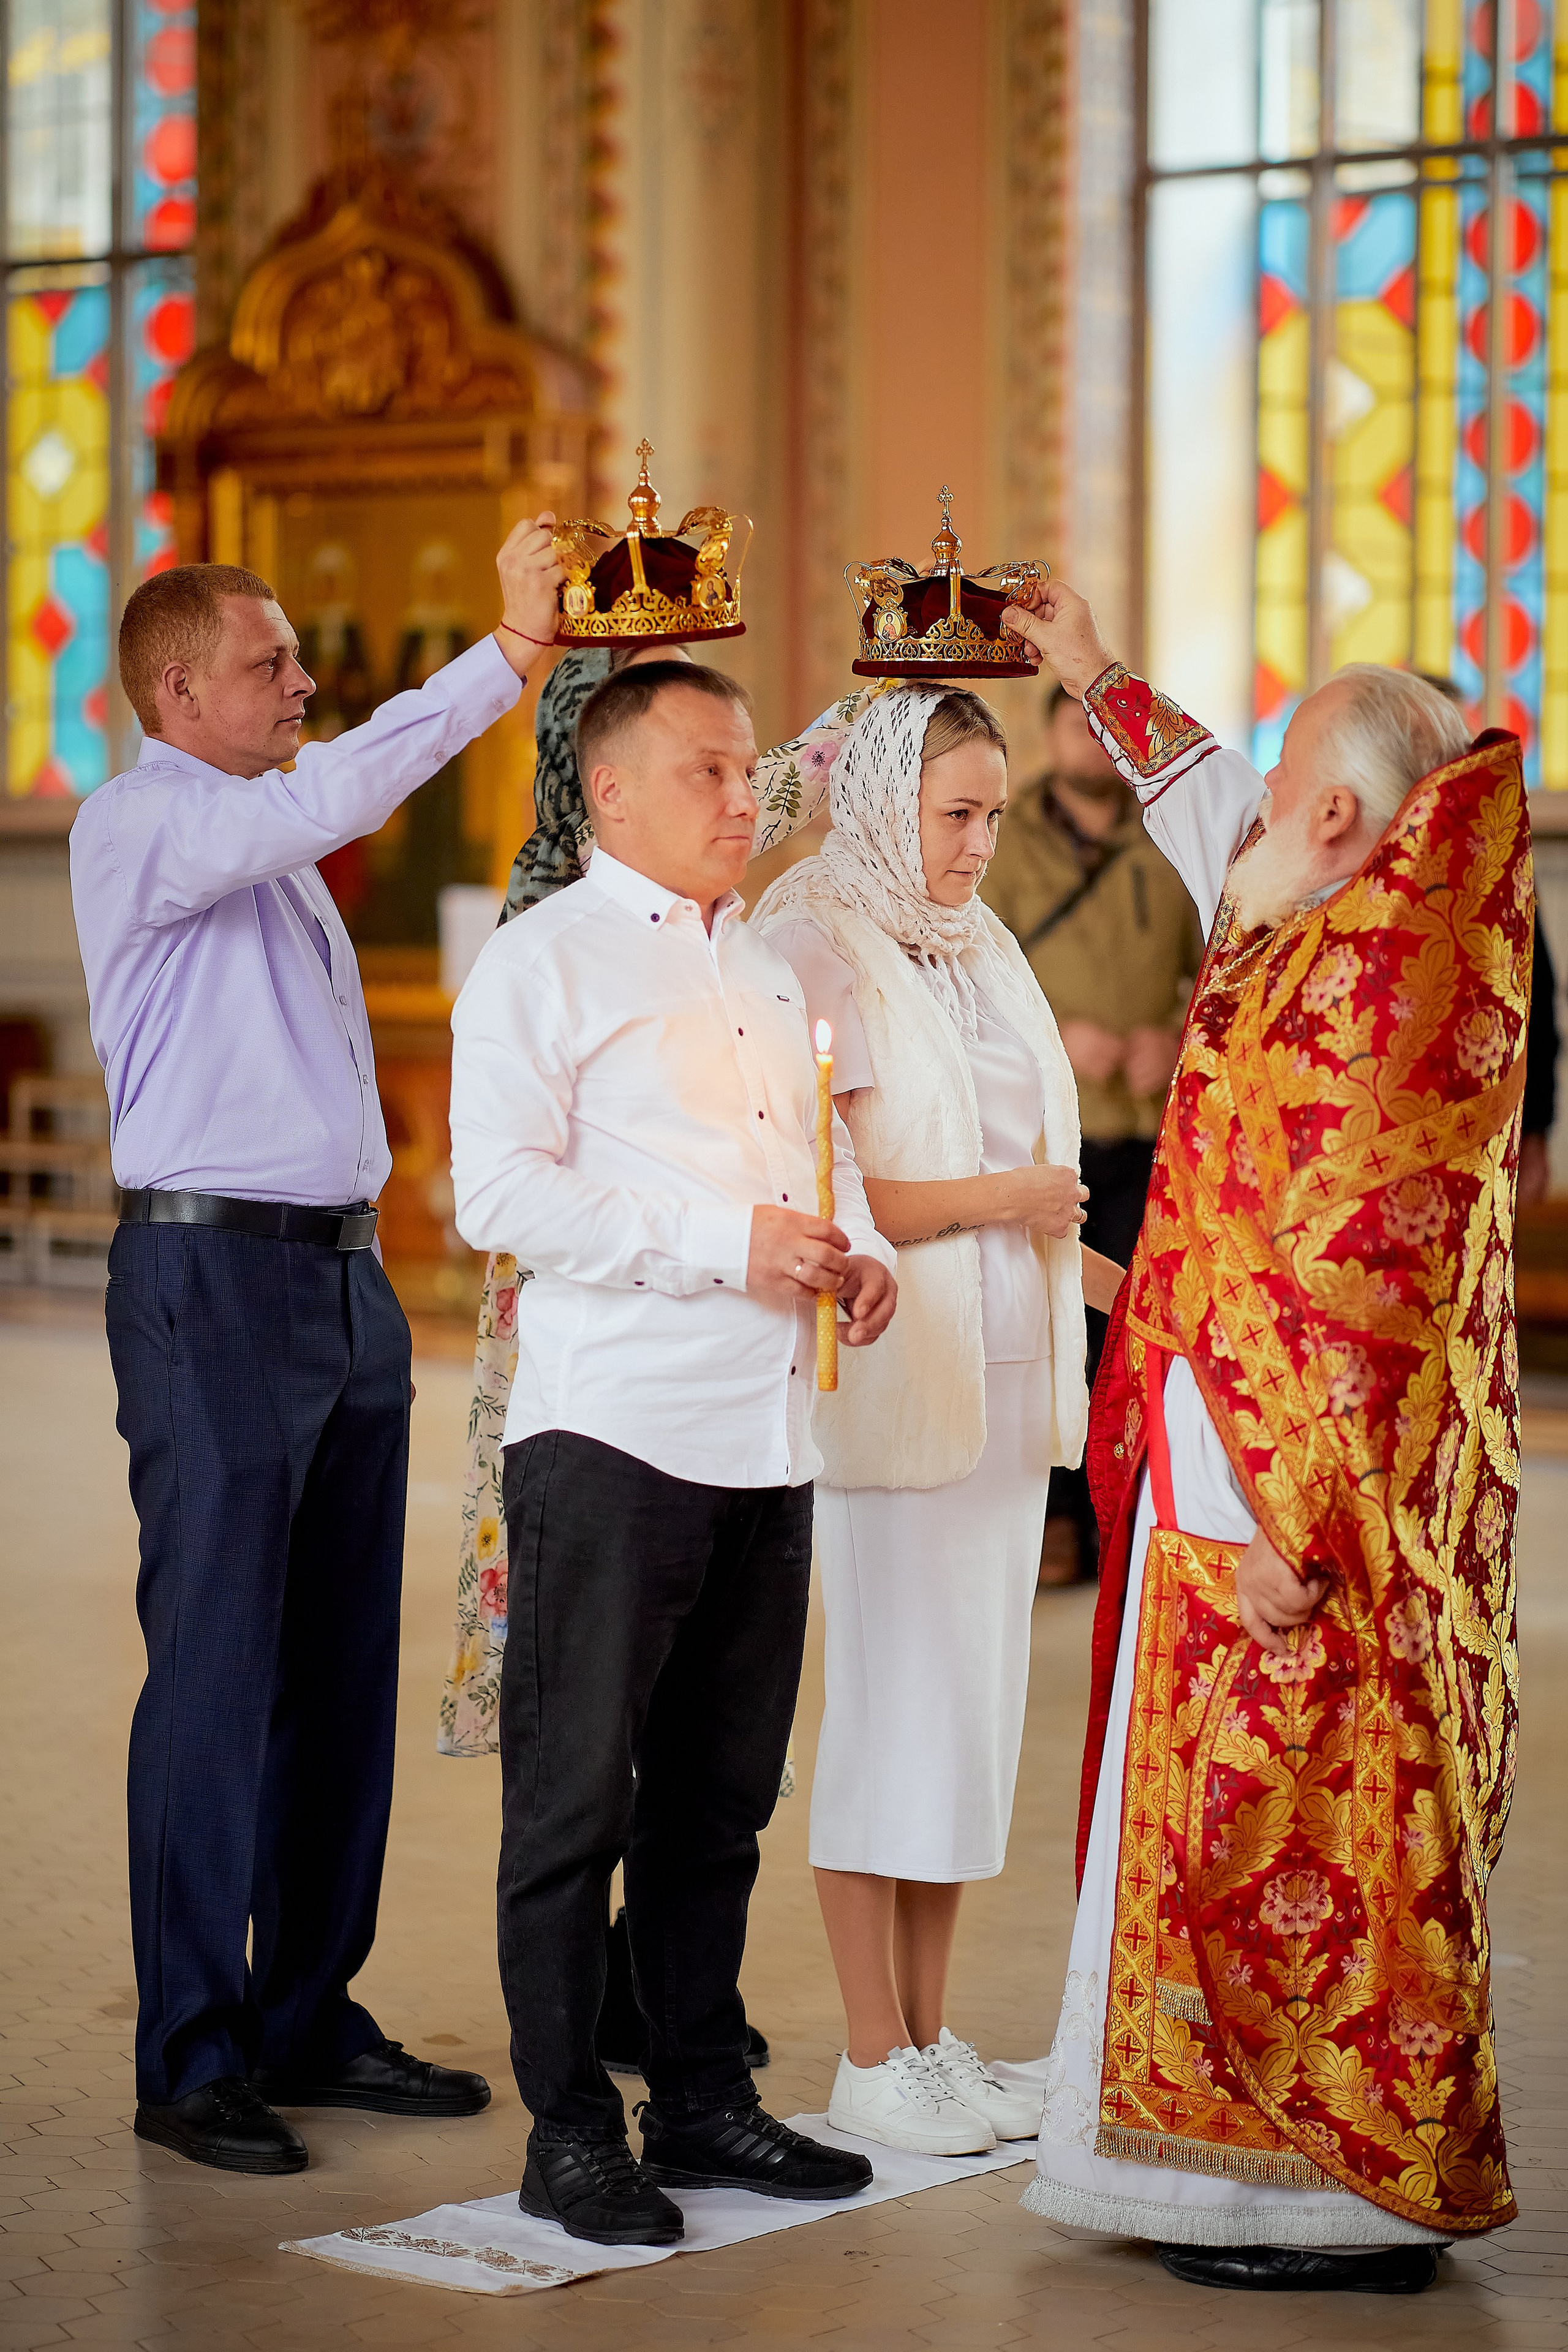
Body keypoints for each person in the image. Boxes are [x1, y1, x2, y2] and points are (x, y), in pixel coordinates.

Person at [1003, 582, 1526, 2291]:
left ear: (1334, 817)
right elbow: (1219, 804)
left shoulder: (1368, 994)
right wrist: (1087, 664)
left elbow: (1347, 1307)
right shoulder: (1362, 916)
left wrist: (1287, 1520)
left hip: (1291, 1501)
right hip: (1256, 1471)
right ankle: (1301, 2177)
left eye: (1282, 787)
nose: (1239, 823)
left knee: (1288, 1832)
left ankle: (1303, 2198)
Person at [69, 518, 564, 2176]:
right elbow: (343, 786)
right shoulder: (146, 823)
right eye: (270, 662)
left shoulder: (267, 849)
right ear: (178, 688)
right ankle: (192, 2049)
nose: (301, 681)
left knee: (342, 1662)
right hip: (212, 1287)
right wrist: (510, 656)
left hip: (339, 1283)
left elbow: (322, 803)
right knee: (218, 1659)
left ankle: (305, 2011)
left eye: (298, 657)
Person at [448, 658, 899, 2248]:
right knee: (575, 1806)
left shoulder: (772, 966)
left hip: (767, 1440)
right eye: (707, 772)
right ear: (614, 790)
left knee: (715, 1808)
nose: (741, 797)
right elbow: (496, 1198)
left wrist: (849, 1260)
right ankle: (568, 2133)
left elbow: (804, 1168)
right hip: (615, 1436)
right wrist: (731, 1239)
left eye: (746, 770)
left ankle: (701, 2099)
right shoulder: (542, 966)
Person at [752, 685, 1123, 2155]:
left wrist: (1130, 1296)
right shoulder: (806, 938)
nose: (978, 844)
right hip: (893, 1375)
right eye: (953, 813)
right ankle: (862, 2053)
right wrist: (1006, 1206)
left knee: (969, 1725)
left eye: (991, 814)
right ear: (882, 799)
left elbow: (1042, 1188)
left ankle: (930, 2038)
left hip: (1011, 1371)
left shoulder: (981, 945)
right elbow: (831, 1188)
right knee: (890, 1717)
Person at [983, 681, 1204, 1583]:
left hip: (1148, 1126)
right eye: (1075, 724)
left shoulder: (1171, 843)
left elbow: (1215, 965)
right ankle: (1058, 1519)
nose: (1090, 740)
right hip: (1042, 1131)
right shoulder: (1000, 839)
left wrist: (1177, 1032)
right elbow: (967, 970)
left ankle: (1133, 1513)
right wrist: (1057, 1032)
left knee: (1136, 1319)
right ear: (1049, 737)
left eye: (1103, 726)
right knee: (1052, 1321)